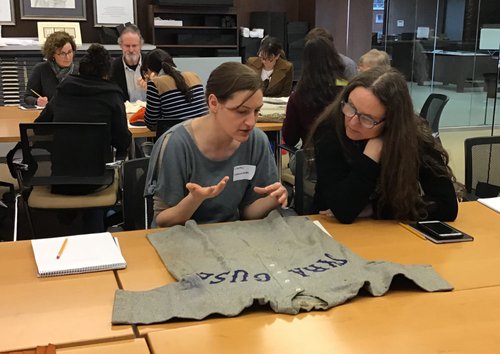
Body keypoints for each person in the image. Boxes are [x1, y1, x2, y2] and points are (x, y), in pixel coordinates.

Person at [307, 67, 458, 224]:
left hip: (388, 234)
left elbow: (447, 206)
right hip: (328, 229)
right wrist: (370, 157)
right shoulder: (330, 129)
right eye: (351, 106)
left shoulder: (413, 137)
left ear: (391, 123)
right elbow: (343, 209)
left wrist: (375, 209)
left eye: (367, 118)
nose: (352, 122)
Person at [147, 62, 288, 227]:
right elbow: (162, 221)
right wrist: (194, 200)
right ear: (213, 103)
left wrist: (272, 200)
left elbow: (248, 213)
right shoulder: (176, 144)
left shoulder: (256, 141)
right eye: (241, 111)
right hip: (183, 239)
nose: (251, 122)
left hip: (231, 237)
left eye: (257, 111)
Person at [36, 43, 132, 179]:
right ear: (106, 73)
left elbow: (39, 128)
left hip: (60, 180)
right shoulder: (112, 95)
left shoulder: (63, 90)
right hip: (99, 180)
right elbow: (123, 141)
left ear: (81, 69)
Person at [282, 36, 346, 149]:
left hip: (311, 157)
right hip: (345, 156)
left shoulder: (298, 97)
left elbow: (290, 139)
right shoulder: (346, 88)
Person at [141, 48, 208, 131]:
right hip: (203, 136)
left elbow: (151, 123)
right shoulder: (194, 76)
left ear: (149, 70)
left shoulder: (155, 83)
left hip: (176, 140)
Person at [24, 31, 77, 108]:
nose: (68, 57)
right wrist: (37, 101)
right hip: (49, 116)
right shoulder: (41, 69)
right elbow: (27, 97)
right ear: (52, 55)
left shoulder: (79, 71)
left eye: (70, 52)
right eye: (62, 53)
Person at [110, 24, 147, 102]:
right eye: (127, 46)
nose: (131, 50)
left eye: (134, 46)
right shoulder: (112, 68)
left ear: (140, 45)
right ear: (121, 46)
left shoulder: (152, 64)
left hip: (150, 112)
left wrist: (152, 87)